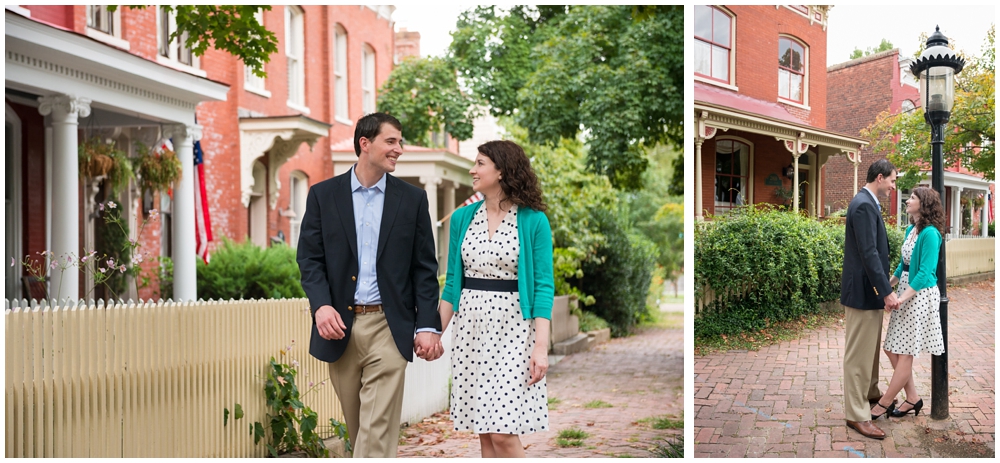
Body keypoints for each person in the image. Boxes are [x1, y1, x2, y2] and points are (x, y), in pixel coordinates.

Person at [296, 112, 443, 458]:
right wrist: (321, 305)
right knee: (361, 429)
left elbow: (424, 269)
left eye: (400, 142)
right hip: (340, 328)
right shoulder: (322, 196)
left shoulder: (412, 200)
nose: (399, 149)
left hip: (389, 327)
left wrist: (426, 325)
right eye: (391, 141)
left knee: (375, 432)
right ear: (365, 143)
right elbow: (309, 260)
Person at [438, 140, 553, 458]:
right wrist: (435, 334)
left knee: (503, 433)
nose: (472, 170)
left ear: (501, 170)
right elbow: (452, 284)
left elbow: (544, 287)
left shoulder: (533, 221)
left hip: (514, 333)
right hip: (471, 334)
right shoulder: (462, 219)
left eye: (480, 163)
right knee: (486, 434)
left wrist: (540, 348)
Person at [870, 187, 946, 419]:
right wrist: (887, 289)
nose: (907, 201)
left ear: (924, 204)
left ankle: (884, 403)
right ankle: (913, 398)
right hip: (905, 292)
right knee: (891, 347)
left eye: (912, 198)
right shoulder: (910, 230)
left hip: (920, 296)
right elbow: (902, 266)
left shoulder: (931, 234)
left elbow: (925, 273)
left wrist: (901, 298)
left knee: (905, 353)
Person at [841, 158, 899, 440]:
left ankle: (871, 395)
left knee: (870, 352)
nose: (893, 186)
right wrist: (886, 291)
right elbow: (868, 253)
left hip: (870, 292)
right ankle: (856, 415)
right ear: (879, 177)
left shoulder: (868, 203)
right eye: (892, 180)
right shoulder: (863, 205)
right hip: (864, 293)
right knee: (857, 356)